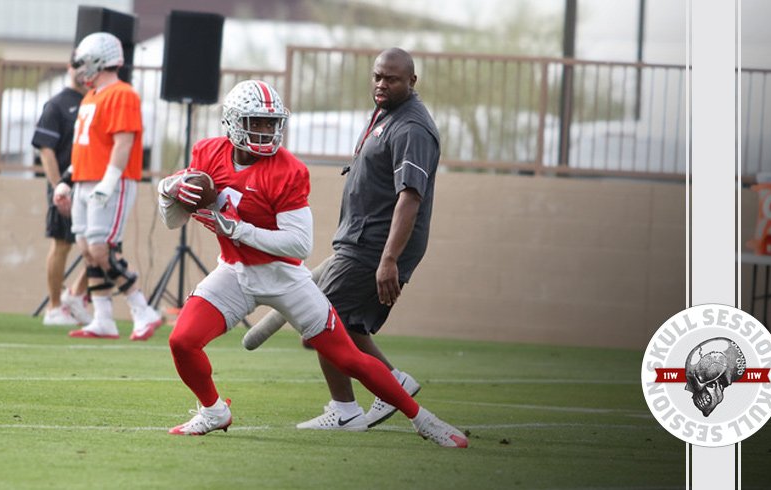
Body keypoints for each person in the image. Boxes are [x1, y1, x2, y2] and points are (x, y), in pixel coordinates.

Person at [157, 79, 467, 448]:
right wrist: (167, 190)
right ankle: (212, 410)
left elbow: (298, 244)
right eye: (256, 122)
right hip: (235, 272)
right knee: (182, 340)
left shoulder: (288, 170)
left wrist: (236, 228)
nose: (265, 131)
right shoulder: (207, 153)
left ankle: (425, 421)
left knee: (348, 358)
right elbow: (174, 219)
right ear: (233, 121)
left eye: (271, 123)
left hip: (284, 277)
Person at [295, 48, 440, 430]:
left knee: (321, 318)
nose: (381, 84)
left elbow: (410, 197)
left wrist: (389, 258)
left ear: (412, 81)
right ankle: (392, 383)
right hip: (358, 240)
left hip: (375, 245)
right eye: (377, 76)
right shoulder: (386, 113)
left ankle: (346, 409)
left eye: (391, 79)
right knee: (346, 323)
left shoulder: (412, 127)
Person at [54, 32, 162, 341]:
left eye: (84, 62)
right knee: (87, 250)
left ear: (99, 60)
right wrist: (65, 182)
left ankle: (142, 308)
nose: (79, 68)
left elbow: (123, 143)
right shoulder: (91, 97)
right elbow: (86, 148)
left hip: (109, 182)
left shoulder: (122, 94)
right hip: (86, 180)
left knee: (102, 249)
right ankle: (103, 318)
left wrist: (108, 182)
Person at [32, 58, 91, 326]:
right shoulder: (56, 105)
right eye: (77, 64)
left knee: (104, 245)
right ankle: (55, 307)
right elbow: (46, 150)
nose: (81, 71)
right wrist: (59, 188)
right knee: (62, 244)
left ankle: (76, 295)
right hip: (65, 186)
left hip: (93, 184)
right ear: (69, 68)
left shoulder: (97, 101)